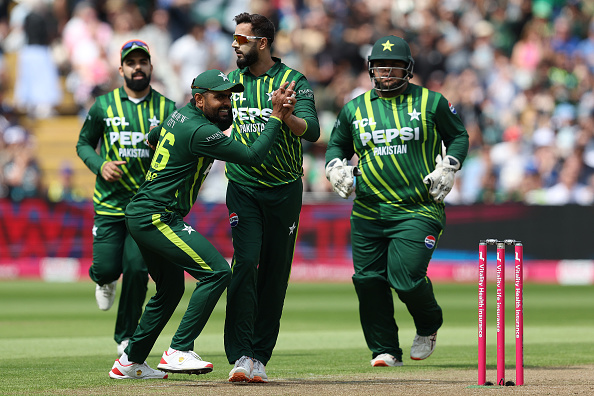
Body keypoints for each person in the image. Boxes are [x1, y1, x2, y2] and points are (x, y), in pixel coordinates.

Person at [109, 69, 296, 379]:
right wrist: (276, 117)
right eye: (219, 97)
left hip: (144, 213)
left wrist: (162, 140)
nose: (227, 103)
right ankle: (179, 350)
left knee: (169, 290)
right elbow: (252, 156)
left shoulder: (179, 116)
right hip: (157, 215)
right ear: (199, 99)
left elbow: (153, 136)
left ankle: (130, 361)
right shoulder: (201, 132)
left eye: (229, 97)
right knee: (217, 272)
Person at [324, 35, 469, 367]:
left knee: (405, 277)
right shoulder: (354, 108)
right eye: (381, 65)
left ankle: (429, 323)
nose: (387, 71)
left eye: (395, 66)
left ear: (409, 70)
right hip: (368, 209)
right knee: (368, 280)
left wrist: (450, 165)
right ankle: (385, 349)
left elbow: (459, 135)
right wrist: (334, 167)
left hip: (418, 206)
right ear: (371, 69)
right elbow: (337, 147)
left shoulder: (431, 102)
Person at [224, 12, 320, 383]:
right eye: (234, 38)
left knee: (275, 274)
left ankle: (259, 356)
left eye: (241, 39)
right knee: (245, 264)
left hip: (283, 191)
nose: (234, 44)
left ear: (261, 43)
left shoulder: (293, 81)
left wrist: (286, 115)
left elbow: (311, 131)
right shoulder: (231, 81)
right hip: (243, 187)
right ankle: (239, 355)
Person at [76, 39, 176, 356]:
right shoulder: (103, 106)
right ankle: (104, 280)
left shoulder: (168, 109)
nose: (137, 68)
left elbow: (179, 153)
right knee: (107, 269)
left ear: (150, 66)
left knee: (136, 269)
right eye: (131, 63)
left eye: (142, 62)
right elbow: (83, 145)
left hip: (145, 207)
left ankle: (126, 337)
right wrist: (100, 165)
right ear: (121, 69)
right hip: (109, 203)